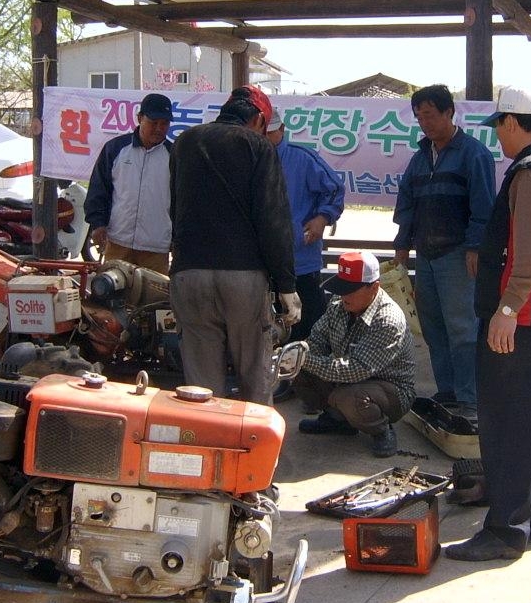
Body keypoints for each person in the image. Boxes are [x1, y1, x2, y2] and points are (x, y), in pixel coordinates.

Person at [445, 88, 531, 562]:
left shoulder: (529, 173)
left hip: (522, 319)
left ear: (509, 123)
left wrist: (507, 311)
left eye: (498, 127)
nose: (498, 138)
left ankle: (505, 531)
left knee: (505, 426)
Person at [169, 85, 301, 404]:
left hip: (189, 274)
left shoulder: (184, 143)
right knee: (254, 374)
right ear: (257, 119)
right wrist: (286, 285)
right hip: (243, 278)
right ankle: (255, 448)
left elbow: (175, 208)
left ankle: (208, 450)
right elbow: (273, 219)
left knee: (201, 387)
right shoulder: (258, 146)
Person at [392, 84, 495, 414]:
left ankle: (470, 397)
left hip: (458, 255)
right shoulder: (419, 158)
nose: (425, 122)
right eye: (419, 117)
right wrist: (401, 247)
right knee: (434, 327)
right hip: (426, 255)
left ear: (450, 113)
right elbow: (406, 203)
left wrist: (476, 248)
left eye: (431, 115)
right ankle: (448, 391)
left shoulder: (474, 154)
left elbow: (484, 207)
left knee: (463, 328)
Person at [295, 251, 415, 458]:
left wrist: (304, 359)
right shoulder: (339, 304)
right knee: (300, 369)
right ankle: (337, 419)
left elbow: (354, 370)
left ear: (374, 287)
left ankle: (381, 429)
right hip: (350, 377)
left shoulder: (388, 320)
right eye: (342, 289)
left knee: (350, 396)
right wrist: (297, 355)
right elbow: (317, 338)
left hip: (390, 390)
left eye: (350, 290)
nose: (344, 296)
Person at [265, 109, 345, 341]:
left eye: (271, 133)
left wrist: (322, 218)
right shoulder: (248, 159)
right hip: (259, 267)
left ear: (282, 130)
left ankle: (307, 376)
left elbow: (335, 191)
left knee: (307, 333)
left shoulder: (302, 158)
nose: (266, 139)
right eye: (262, 133)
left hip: (300, 263)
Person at [83, 92, 173, 274]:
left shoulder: (175, 155)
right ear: (140, 118)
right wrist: (97, 223)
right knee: (112, 296)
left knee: (154, 301)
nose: (159, 128)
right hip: (118, 242)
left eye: (164, 124)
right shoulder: (115, 149)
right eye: (154, 122)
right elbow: (99, 189)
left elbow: (183, 201)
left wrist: (177, 238)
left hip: (156, 248)